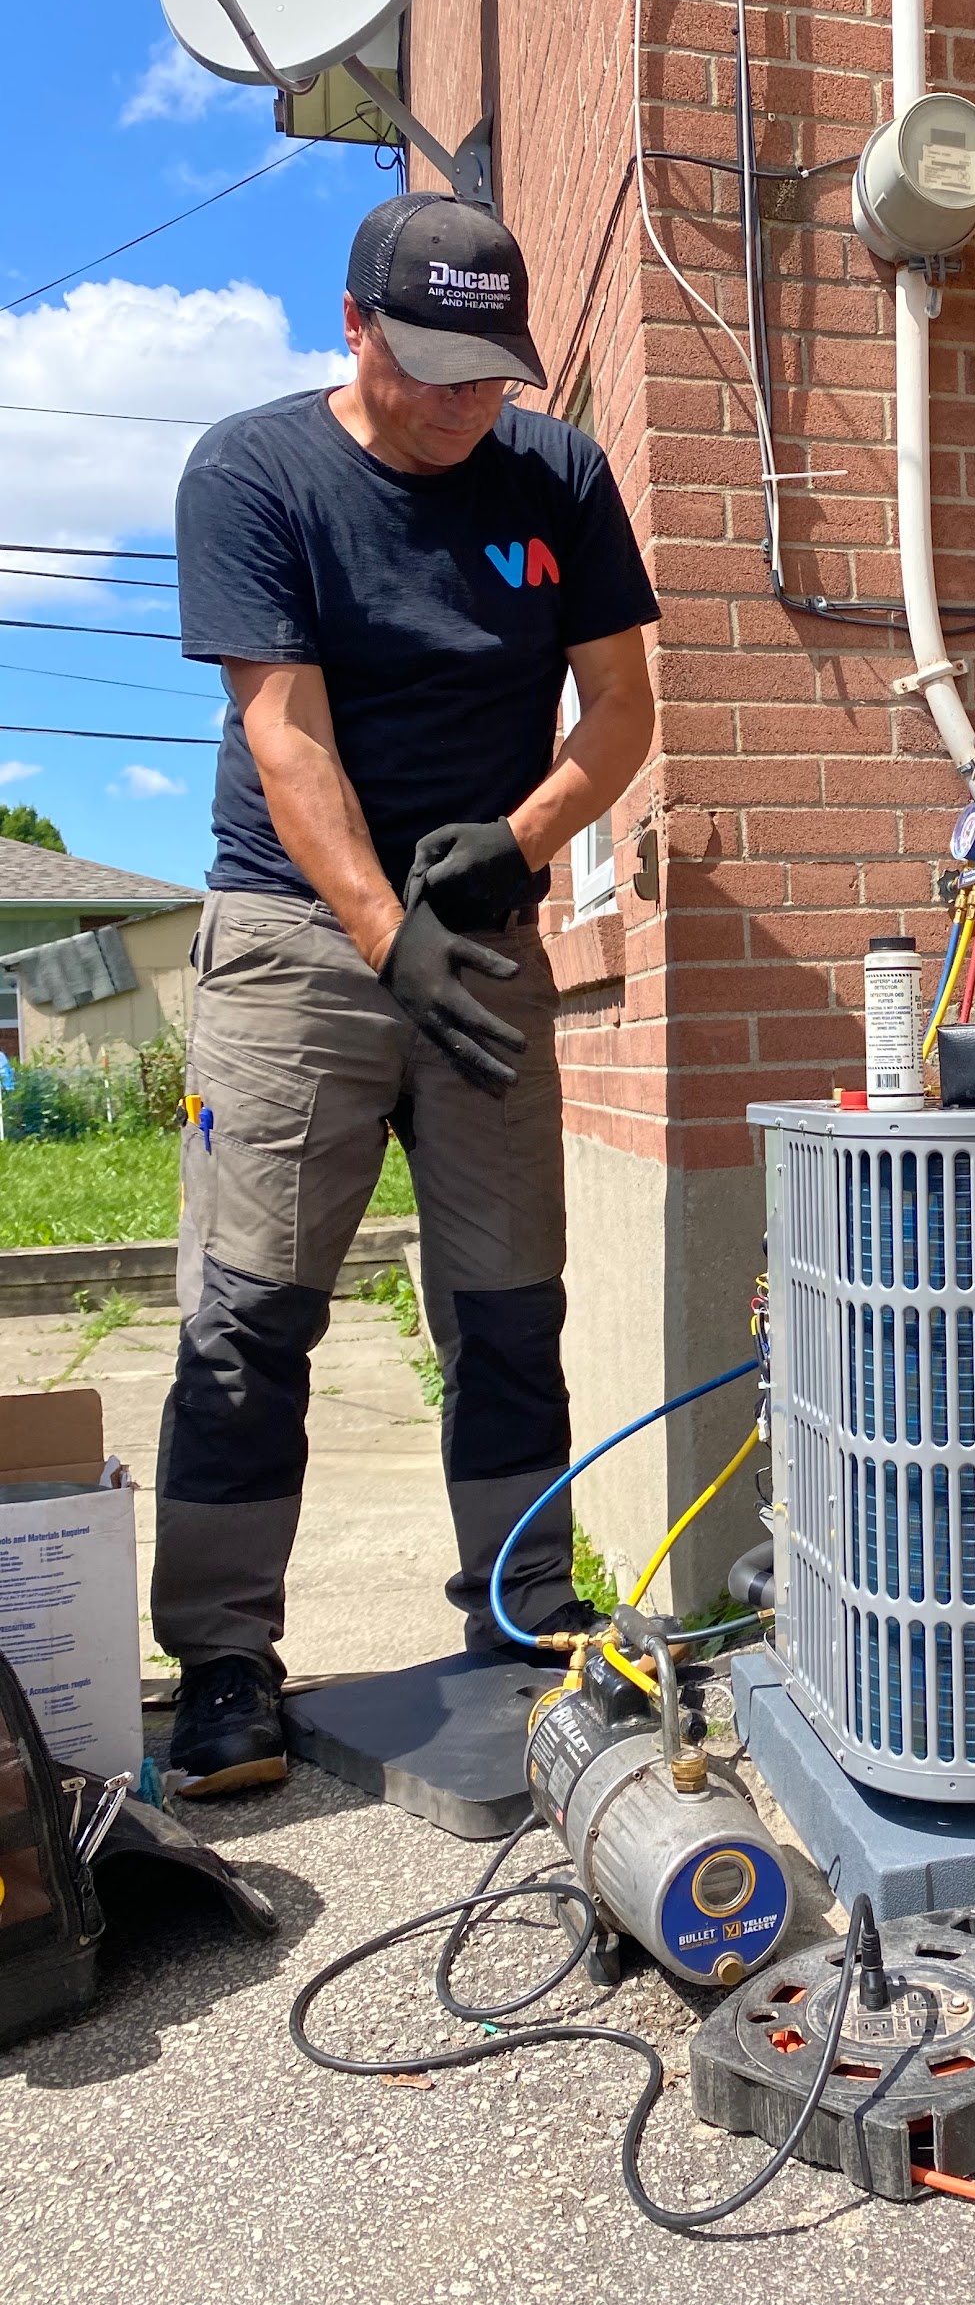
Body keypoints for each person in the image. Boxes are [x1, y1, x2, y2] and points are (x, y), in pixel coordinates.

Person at [152, 192, 659, 1795]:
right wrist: (386, 933)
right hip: (301, 937)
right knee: (252, 1315)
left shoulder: (555, 475)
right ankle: (226, 1657)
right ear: (355, 325)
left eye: (488, 373)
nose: (463, 405)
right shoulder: (255, 471)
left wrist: (511, 847)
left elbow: (621, 717)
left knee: (511, 1304)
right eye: (432, 367)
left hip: (484, 920)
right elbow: (283, 737)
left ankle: (525, 1611)